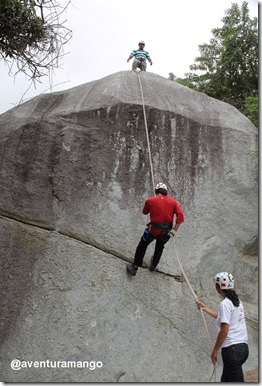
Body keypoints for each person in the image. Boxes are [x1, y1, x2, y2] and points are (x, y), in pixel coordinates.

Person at [196, 272, 249, 382]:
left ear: (218, 287)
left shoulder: (225, 304)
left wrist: (214, 350)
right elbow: (223, 318)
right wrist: (205, 309)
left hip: (232, 350)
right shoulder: (237, 301)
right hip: (243, 349)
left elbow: (224, 331)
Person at [126, 182, 184, 276]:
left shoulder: (150, 200)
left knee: (142, 245)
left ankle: (135, 267)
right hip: (166, 231)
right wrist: (174, 230)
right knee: (160, 246)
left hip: (153, 230)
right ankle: (154, 265)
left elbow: (145, 212)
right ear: (165, 192)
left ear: (156, 191)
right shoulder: (173, 202)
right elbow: (180, 215)